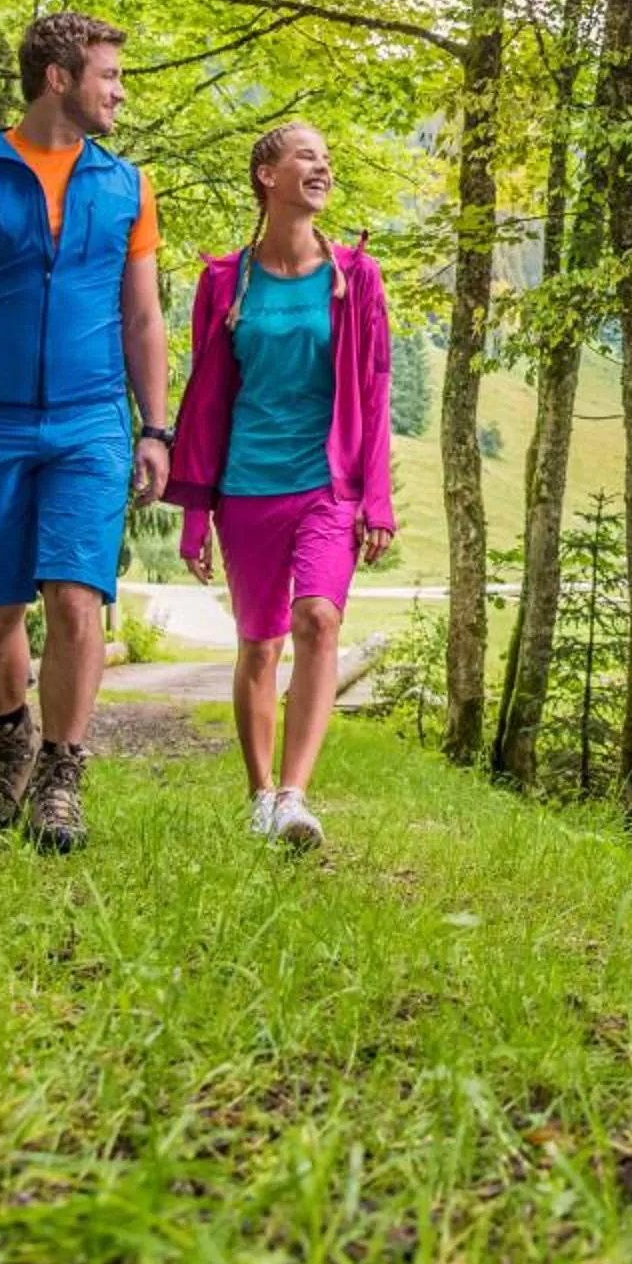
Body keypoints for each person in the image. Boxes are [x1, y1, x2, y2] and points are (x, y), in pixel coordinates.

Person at [0, 13, 169, 854]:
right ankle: (9, 739)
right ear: (58, 77)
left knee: (76, 596)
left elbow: (143, 317)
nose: (119, 91)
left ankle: (60, 775)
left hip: (92, 423)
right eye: (108, 76)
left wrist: (154, 429)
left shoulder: (127, 186)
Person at [166, 122, 396, 851]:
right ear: (268, 175)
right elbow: (207, 398)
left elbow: (376, 386)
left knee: (319, 620)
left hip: (326, 485)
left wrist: (376, 498)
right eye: (307, 156)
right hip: (246, 486)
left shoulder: (355, 277)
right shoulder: (225, 283)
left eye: (328, 157)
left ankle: (296, 795)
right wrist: (196, 512)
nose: (323, 166)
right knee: (259, 645)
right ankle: (260, 794)